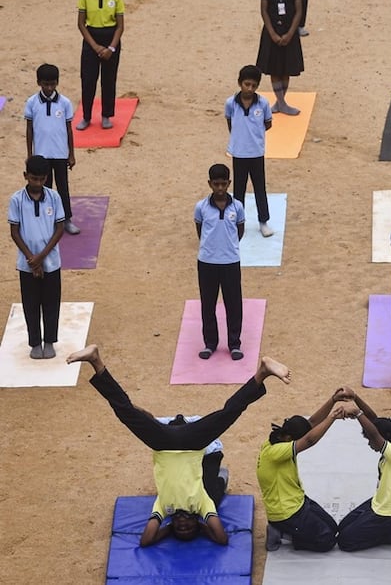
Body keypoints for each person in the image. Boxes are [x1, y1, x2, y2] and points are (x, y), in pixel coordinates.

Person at [68, 344, 290, 546]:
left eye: (180, 528)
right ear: (197, 522)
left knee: (125, 412)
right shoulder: (203, 504)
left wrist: (167, 530)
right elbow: (221, 538)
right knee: (229, 412)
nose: (184, 525)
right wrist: (202, 528)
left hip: (163, 443)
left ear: (172, 524)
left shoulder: (163, 506)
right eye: (188, 528)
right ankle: (262, 372)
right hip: (194, 443)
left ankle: (95, 361)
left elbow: (146, 541)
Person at [258, 390, 356, 552]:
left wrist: (332, 400)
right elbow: (310, 439)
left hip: (298, 500)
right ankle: (281, 531)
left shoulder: (279, 438)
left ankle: (287, 530)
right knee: (327, 541)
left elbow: (311, 423)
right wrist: (333, 417)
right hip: (286, 513)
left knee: (332, 527)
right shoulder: (275, 452)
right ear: (289, 438)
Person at [334, 388, 391, 550]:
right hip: (380, 502)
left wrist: (358, 414)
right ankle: (390, 531)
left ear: (382, 438)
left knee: (345, 541)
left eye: (370, 440)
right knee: (342, 527)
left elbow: (374, 434)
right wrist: (355, 397)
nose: (369, 443)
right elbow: (374, 421)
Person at [8, 155, 65, 360]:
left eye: (41, 179)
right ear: (26, 176)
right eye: (33, 179)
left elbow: (59, 229)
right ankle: (34, 342)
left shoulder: (54, 197)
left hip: (50, 261)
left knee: (51, 302)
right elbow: (14, 232)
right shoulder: (16, 200)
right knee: (31, 304)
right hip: (27, 263)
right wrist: (31, 259)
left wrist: (41, 257)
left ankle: (49, 340)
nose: (38, 183)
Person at [195, 164, 245, 361]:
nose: (220, 189)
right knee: (208, 304)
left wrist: (227, 247)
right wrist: (212, 248)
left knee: (233, 304)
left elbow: (239, 231)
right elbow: (200, 231)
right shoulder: (201, 207)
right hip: (207, 262)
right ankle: (210, 343)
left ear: (229, 183)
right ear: (210, 184)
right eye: (216, 184)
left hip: (231, 262)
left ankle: (234, 344)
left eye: (224, 184)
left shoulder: (237, 207)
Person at [24, 64, 79, 236]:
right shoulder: (32, 102)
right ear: (39, 82)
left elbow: (69, 130)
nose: (49, 88)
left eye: (52, 84)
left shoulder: (65, 103)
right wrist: (30, 154)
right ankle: (46, 222)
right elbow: (29, 129)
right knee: (44, 189)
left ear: (57, 82)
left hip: (60, 154)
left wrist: (71, 154)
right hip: (41, 155)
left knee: (63, 187)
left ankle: (66, 219)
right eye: (45, 84)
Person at [225, 65, 275, 238]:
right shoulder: (231, 103)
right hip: (239, 153)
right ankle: (239, 221)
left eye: (254, 85)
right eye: (247, 84)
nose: (250, 89)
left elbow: (268, 124)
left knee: (260, 188)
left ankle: (263, 221)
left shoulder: (263, 103)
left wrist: (254, 137)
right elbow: (230, 122)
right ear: (240, 83)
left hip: (256, 153)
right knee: (238, 190)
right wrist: (240, 138)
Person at [76, 0, 124, 132]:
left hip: (111, 38)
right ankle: (86, 116)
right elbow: (81, 24)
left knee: (109, 79)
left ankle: (106, 115)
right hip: (91, 39)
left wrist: (111, 48)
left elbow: (120, 26)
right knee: (88, 80)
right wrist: (95, 47)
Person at [256, 0, 305, 116]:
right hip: (272, 33)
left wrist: (290, 33)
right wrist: (272, 34)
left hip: (288, 32)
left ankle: (281, 102)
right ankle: (281, 102)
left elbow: (299, 11)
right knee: (274, 68)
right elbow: (264, 11)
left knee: (286, 68)